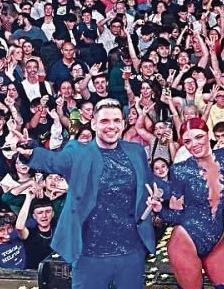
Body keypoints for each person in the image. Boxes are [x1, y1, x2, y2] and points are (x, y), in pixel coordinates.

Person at [19, 98, 155, 289]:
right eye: (104, 121)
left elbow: (149, 184)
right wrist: (30, 153)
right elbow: (54, 161)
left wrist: (161, 194)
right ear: (93, 124)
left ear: (123, 124)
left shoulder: (136, 151)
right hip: (90, 254)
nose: (111, 126)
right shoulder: (77, 151)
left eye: (116, 121)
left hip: (131, 252)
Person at [153, 117, 224, 289]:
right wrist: (159, 210)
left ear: (208, 135)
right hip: (185, 241)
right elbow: (176, 215)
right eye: (187, 141)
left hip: (216, 241)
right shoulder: (179, 170)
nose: (194, 144)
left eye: (199, 137)